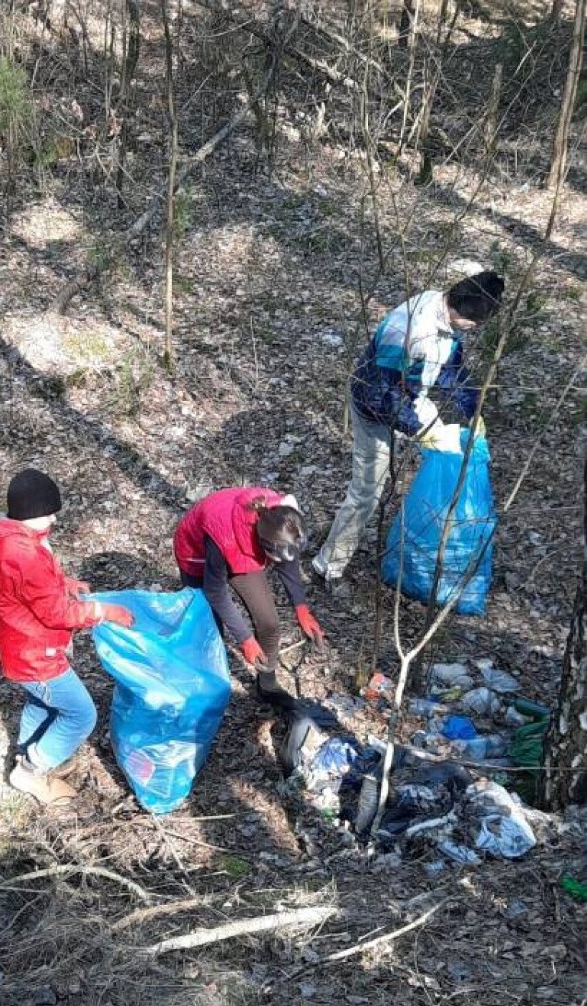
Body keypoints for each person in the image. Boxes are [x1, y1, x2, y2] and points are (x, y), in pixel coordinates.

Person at [313, 270, 505, 587]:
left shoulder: (447, 323)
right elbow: (379, 393)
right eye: (477, 322)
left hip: (409, 395)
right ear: (464, 309)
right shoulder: (408, 330)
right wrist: (418, 427)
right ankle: (328, 566)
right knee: (367, 492)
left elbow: (451, 370)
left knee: (414, 463)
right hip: (374, 409)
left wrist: (473, 408)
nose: (475, 329)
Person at [0, 468, 135, 806]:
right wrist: (105, 612)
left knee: (42, 703)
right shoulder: (24, 555)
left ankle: (28, 753)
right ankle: (30, 769)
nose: (54, 518)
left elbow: (32, 590)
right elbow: (56, 613)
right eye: (49, 512)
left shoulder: (13, 539)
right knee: (80, 715)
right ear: (31, 514)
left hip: (20, 646)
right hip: (35, 654)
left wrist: (65, 584)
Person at [173, 487, 325, 705]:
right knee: (210, 629)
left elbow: (288, 560)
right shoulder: (224, 538)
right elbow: (214, 591)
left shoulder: (283, 520)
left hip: (241, 545)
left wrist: (301, 608)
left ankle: (267, 686)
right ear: (265, 547)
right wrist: (245, 639)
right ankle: (207, 684)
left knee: (269, 623)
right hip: (198, 552)